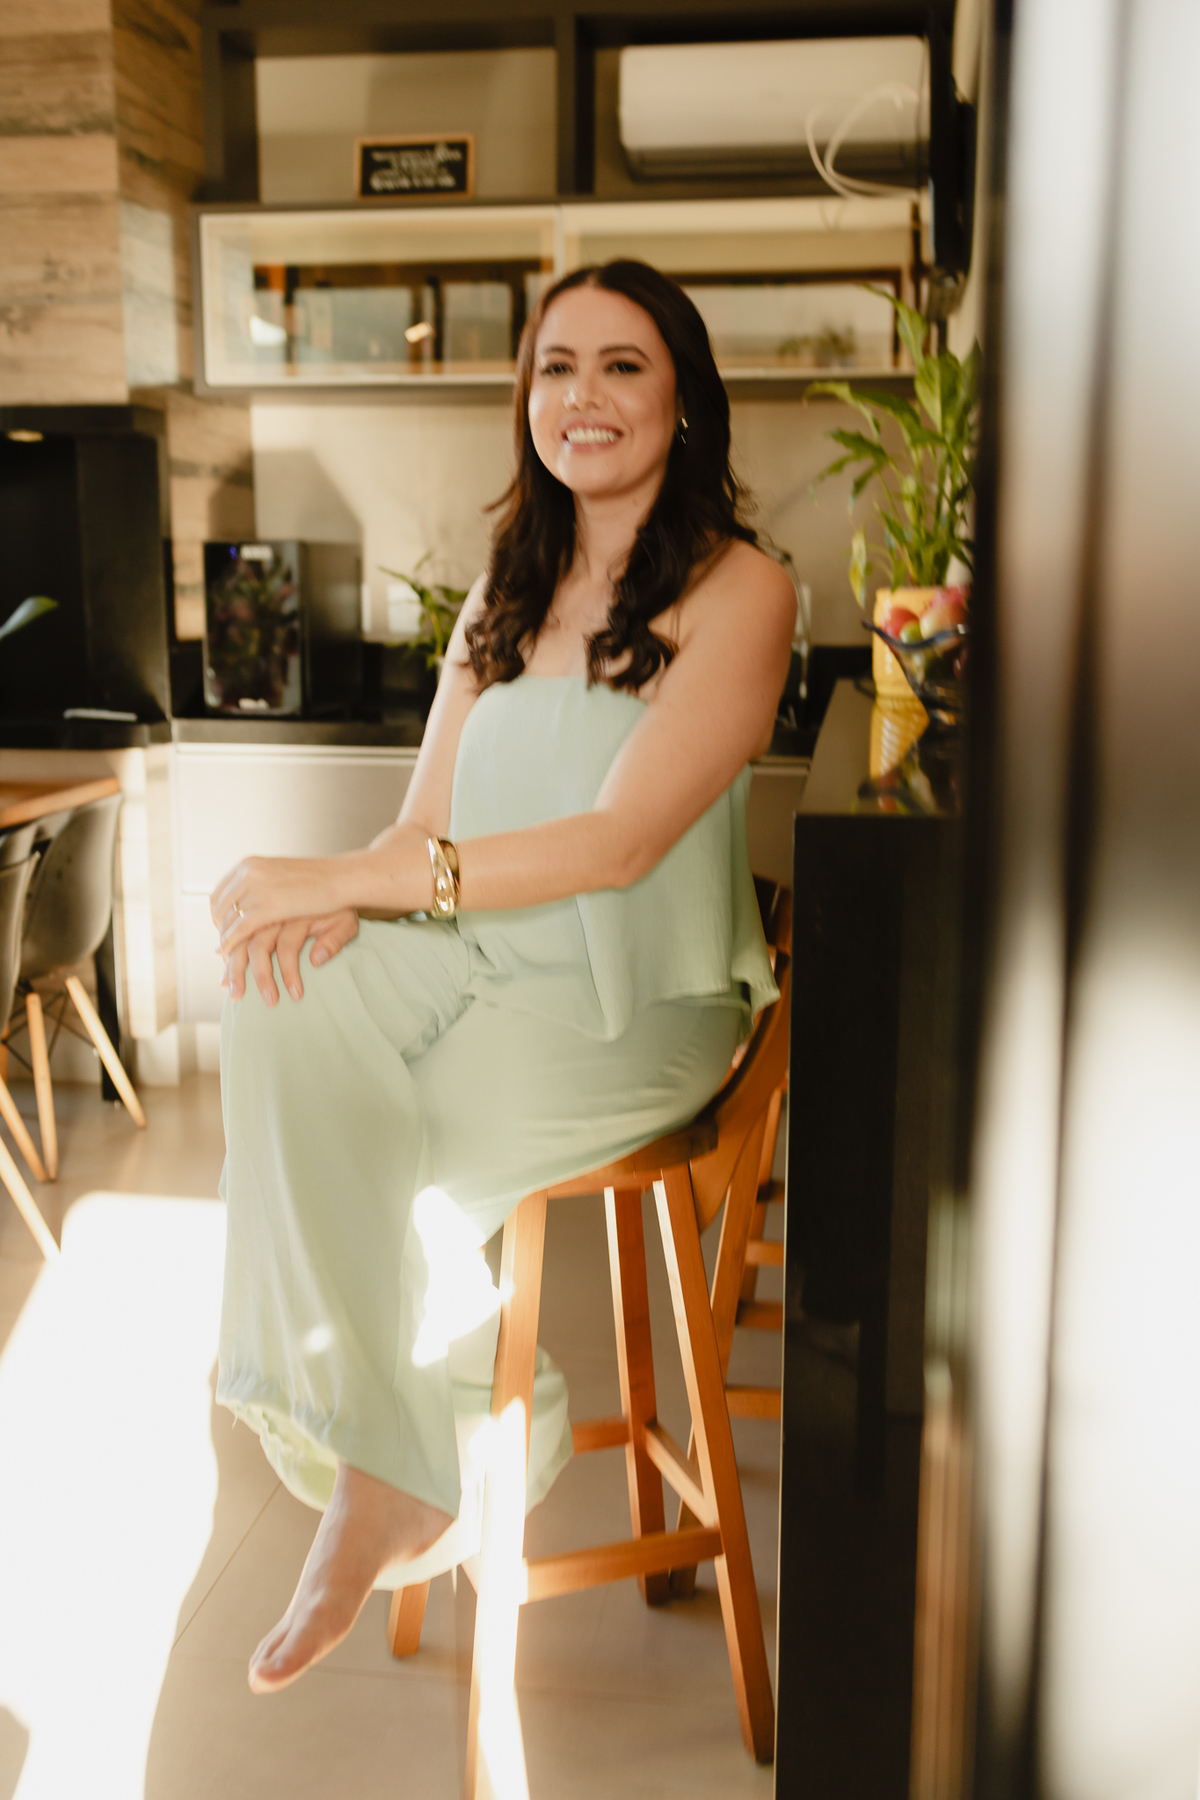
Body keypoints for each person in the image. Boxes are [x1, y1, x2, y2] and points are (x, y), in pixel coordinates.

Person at [210, 258, 795, 1696]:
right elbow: (421, 828)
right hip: (472, 956)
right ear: (526, 397)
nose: (582, 396)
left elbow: (619, 844)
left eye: (622, 365)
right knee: (278, 995)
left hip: (634, 1002)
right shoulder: (505, 590)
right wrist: (338, 893)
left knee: (382, 1164)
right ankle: (413, 1451)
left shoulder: (743, 591)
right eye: (555, 367)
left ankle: (399, 1470)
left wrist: (358, 884)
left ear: (683, 397)